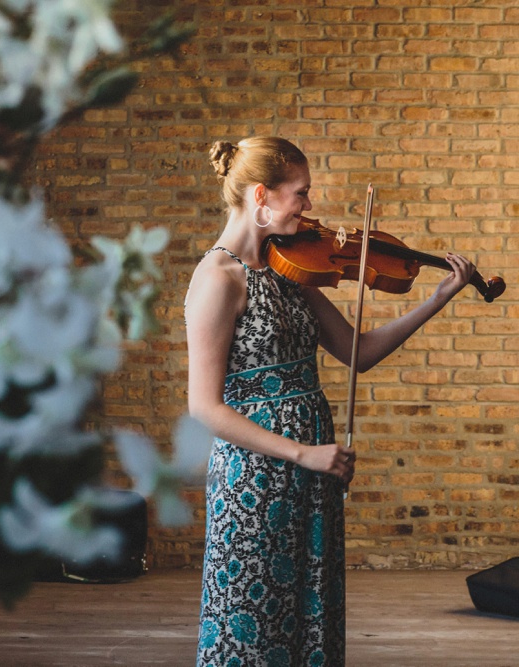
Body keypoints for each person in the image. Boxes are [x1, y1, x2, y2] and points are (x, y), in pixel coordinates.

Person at [184, 137, 476, 667]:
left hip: (314, 469)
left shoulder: (288, 271)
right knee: (251, 614)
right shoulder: (217, 279)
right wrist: (303, 453)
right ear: (261, 196)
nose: (310, 206)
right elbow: (205, 407)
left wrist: (437, 300)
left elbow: (358, 352)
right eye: (301, 193)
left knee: (307, 615)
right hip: (257, 475)